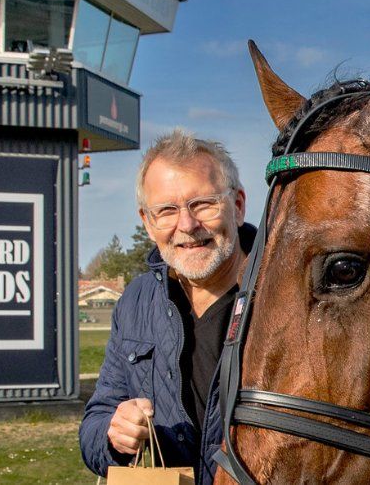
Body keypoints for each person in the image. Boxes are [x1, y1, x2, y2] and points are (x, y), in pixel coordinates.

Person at [80, 130, 254, 485]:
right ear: (148, 222)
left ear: (237, 206)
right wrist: (114, 434)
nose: (186, 225)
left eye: (202, 204)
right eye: (167, 211)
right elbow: (96, 421)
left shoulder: (287, 292)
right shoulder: (137, 302)